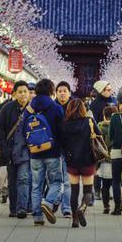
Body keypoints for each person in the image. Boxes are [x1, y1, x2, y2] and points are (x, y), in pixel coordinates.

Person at [27, 79, 66, 226]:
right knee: (56, 182)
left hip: (35, 152)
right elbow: (62, 130)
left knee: (36, 184)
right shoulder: (56, 108)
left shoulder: (30, 108)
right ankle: (48, 202)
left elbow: (24, 127)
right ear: (51, 90)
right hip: (53, 152)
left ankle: (37, 217)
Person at [0, 82, 32, 219]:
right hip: (10, 150)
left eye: (25, 91)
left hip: (26, 151)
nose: (23, 94)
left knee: (23, 179)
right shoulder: (7, 109)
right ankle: (13, 208)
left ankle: (22, 208)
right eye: (20, 92)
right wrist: (3, 147)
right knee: (12, 180)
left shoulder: (32, 109)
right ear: (15, 94)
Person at [60, 96, 96, 229]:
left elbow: (61, 144)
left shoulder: (65, 124)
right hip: (87, 160)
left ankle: (75, 220)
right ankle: (83, 208)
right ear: (83, 108)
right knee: (87, 190)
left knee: (74, 191)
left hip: (71, 161)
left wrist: (67, 155)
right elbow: (97, 136)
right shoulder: (89, 122)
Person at [54, 81, 75, 218]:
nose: (62, 93)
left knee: (67, 181)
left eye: (64, 91)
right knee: (55, 180)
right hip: (54, 149)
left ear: (69, 93)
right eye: (60, 91)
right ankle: (55, 201)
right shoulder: (51, 107)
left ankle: (66, 208)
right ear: (56, 93)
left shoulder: (75, 107)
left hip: (70, 149)